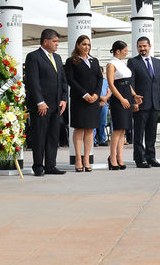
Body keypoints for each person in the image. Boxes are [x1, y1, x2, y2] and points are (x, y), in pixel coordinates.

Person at [23, 28, 68, 176]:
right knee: (39, 135)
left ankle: (50, 165)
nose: (57, 44)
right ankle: (38, 166)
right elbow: (33, 82)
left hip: (56, 105)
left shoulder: (57, 58)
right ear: (45, 41)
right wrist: (39, 101)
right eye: (55, 41)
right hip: (41, 105)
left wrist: (63, 99)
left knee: (53, 136)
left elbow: (62, 80)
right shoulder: (33, 57)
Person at [65, 35, 103, 172]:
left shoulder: (94, 61)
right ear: (77, 45)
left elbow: (100, 79)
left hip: (93, 100)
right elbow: (71, 80)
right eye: (84, 44)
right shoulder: (71, 61)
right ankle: (78, 159)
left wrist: (96, 95)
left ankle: (87, 158)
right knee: (79, 129)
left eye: (88, 44)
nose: (86, 47)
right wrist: (85, 95)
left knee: (89, 129)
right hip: (79, 100)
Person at [128, 36, 160, 167]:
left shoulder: (157, 62)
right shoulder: (133, 62)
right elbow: (131, 83)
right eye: (139, 46)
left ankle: (151, 157)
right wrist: (133, 100)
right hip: (140, 104)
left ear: (149, 46)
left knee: (152, 133)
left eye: (144, 46)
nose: (142, 48)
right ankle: (140, 159)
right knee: (139, 133)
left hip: (155, 103)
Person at [105, 40, 141, 170]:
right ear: (118, 51)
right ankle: (112, 158)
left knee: (124, 129)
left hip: (127, 95)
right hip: (118, 98)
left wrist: (134, 95)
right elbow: (111, 84)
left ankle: (120, 158)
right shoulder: (111, 64)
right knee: (118, 129)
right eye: (125, 50)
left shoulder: (122, 64)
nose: (126, 53)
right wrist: (121, 99)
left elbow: (127, 82)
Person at [94, 77, 110, 147]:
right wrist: (100, 97)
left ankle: (102, 140)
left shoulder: (105, 81)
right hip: (95, 102)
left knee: (103, 122)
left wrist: (105, 98)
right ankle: (93, 141)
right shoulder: (93, 79)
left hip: (104, 103)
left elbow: (109, 91)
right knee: (93, 123)